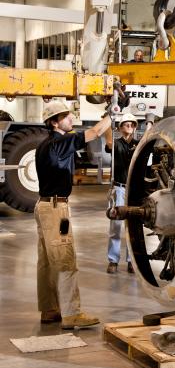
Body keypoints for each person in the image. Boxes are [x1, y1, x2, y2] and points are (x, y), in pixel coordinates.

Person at [35, 100, 112, 329]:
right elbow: (96, 131)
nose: (71, 119)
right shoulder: (62, 141)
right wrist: (113, 113)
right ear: (54, 122)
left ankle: (49, 310)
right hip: (57, 210)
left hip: (43, 207)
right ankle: (71, 313)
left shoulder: (44, 145)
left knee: (47, 263)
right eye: (66, 116)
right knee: (66, 260)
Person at [104, 113, 138, 274]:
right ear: (120, 127)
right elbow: (109, 143)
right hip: (119, 189)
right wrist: (108, 119)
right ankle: (113, 260)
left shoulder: (139, 144)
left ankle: (132, 261)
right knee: (116, 226)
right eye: (126, 123)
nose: (129, 126)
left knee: (132, 226)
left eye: (132, 124)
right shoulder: (116, 144)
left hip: (134, 190)